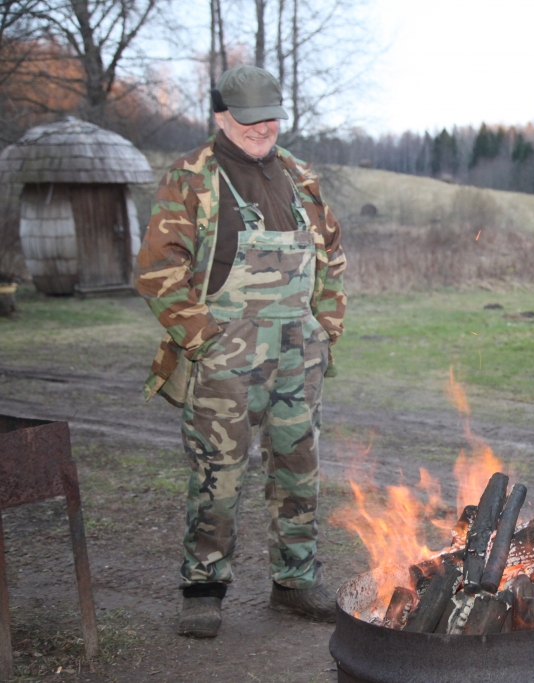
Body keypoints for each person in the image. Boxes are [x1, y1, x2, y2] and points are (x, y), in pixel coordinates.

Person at [136, 65, 347, 638]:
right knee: (219, 474)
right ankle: (203, 589)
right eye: (250, 120)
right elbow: (158, 271)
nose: (263, 129)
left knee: (299, 469)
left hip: (298, 355)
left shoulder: (300, 177)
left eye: (271, 117)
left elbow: (331, 258)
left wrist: (327, 327)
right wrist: (202, 338)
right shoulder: (191, 179)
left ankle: (295, 580)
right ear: (221, 117)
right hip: (225, 358)